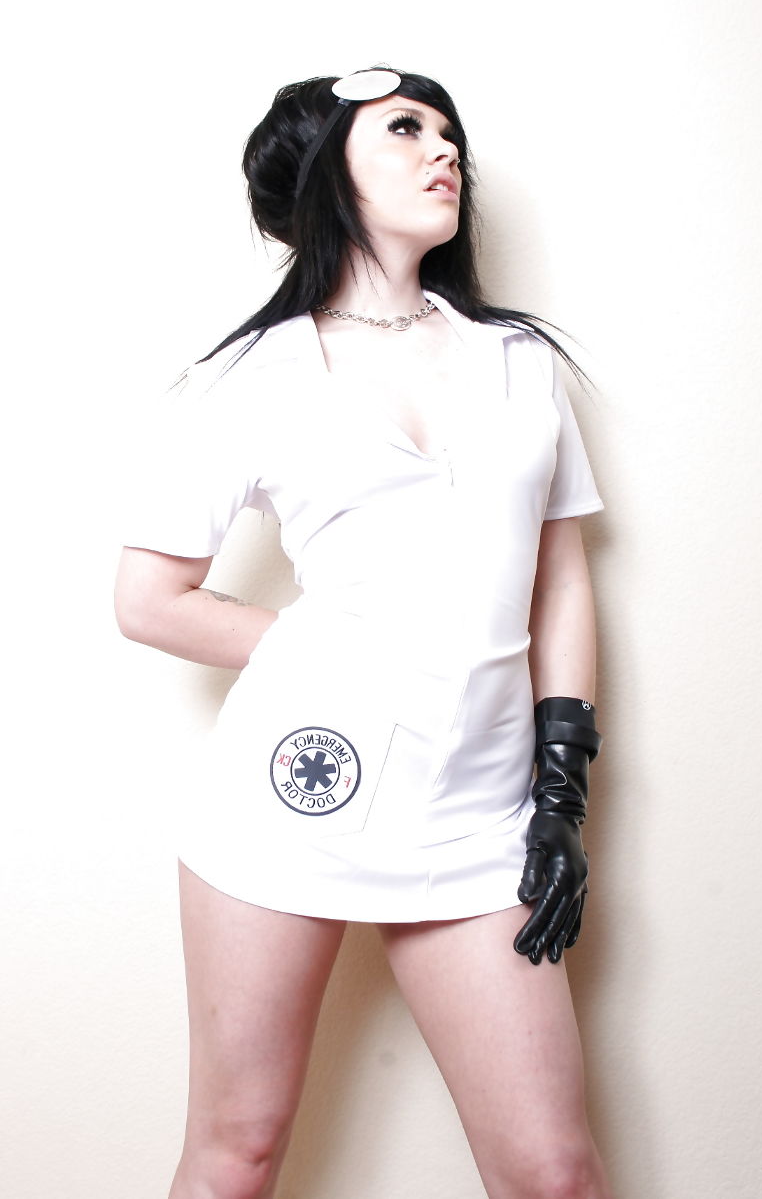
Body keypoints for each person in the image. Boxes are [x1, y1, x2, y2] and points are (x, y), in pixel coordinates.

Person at [115, 67, 613, 1199]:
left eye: (449, 131)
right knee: (239, 1149)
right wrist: (319, 651)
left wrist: (561, 787)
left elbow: (560, 582)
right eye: (404, 127)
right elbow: (149, 600)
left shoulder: (519, 360)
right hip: (291, 794)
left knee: (553, 1173)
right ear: (326, 169)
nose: (444, 149)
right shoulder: (254, 375)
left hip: (479, 810)